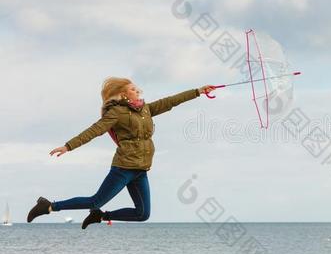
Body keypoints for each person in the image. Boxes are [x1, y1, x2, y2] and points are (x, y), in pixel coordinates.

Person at [27, 77, 216, 229]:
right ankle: (49, 206)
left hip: (141, 170)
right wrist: (68, 146)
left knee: (143, 214)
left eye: (137, 89)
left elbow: (172, 101)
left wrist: (199, 91)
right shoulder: (116, 112)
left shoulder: (146, 110)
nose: (138, 91)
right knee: (95, 201)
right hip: (123, 168)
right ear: (122, 94)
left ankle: (101, 216)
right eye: (133, 89)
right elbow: (95, 130)